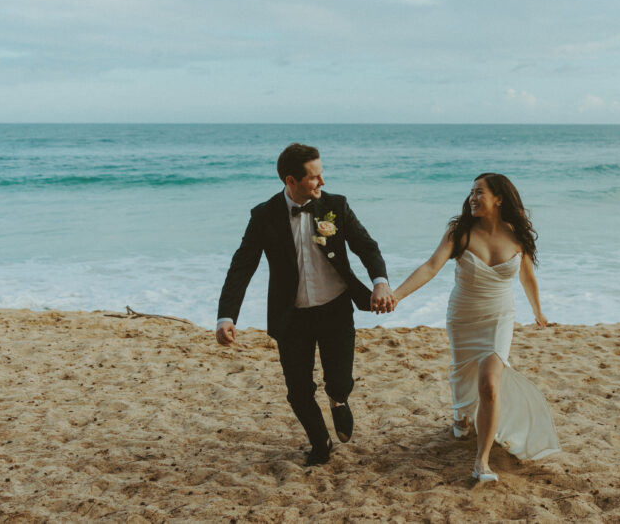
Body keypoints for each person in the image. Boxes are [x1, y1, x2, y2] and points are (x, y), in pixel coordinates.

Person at [215, 143, 395, 466]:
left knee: (339, 381)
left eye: (321, 174)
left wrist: (380, 281)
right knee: (298, 391)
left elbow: (366, 247)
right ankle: (320, 442)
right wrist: (226, 316)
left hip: (336, 308)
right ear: (290, 181)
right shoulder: (264, 216)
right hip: (291, 316)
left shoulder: (335, 207)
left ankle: (339, 401)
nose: (322, 182)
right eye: (314, 177)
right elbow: (242, 266)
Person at [392, 173, 560, 483]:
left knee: (489, 382)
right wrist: (397, 295)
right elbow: (430, 267)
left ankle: (481, 462)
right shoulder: (460, 232)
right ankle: (461, 415)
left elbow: (527, 278)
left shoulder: (517, 236)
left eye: (479, 192)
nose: (472, 197)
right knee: (462, 372)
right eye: (470, 192)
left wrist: (539, 313)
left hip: (499, 317)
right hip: (463, 316)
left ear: (499, 198)